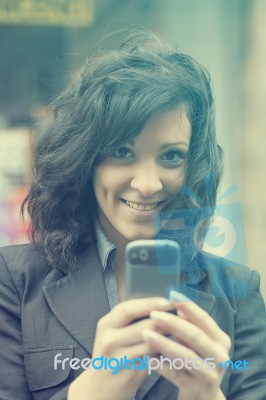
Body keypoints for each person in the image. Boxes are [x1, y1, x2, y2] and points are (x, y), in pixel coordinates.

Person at [0, 29, 265, 400]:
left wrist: (206, 395)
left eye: (171, 156)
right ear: (85, 160)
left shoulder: (239, 292)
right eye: (123, 152)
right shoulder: (13, 280)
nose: (147, 184)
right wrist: (95, 390)